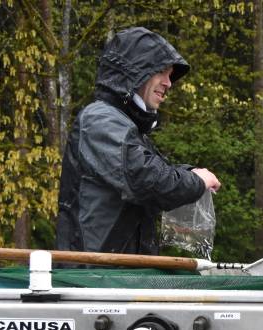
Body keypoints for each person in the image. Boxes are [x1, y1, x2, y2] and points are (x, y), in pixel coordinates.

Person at [56, 27, 221, 254]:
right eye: (162, 72)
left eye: (170, 75)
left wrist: (192, 172)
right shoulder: (100, 120)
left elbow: (155, 172)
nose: (168, 83)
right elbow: (146, 180)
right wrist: (196, 180)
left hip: (119, 275)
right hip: (93, 276)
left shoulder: (124, 125)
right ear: (133, 73)